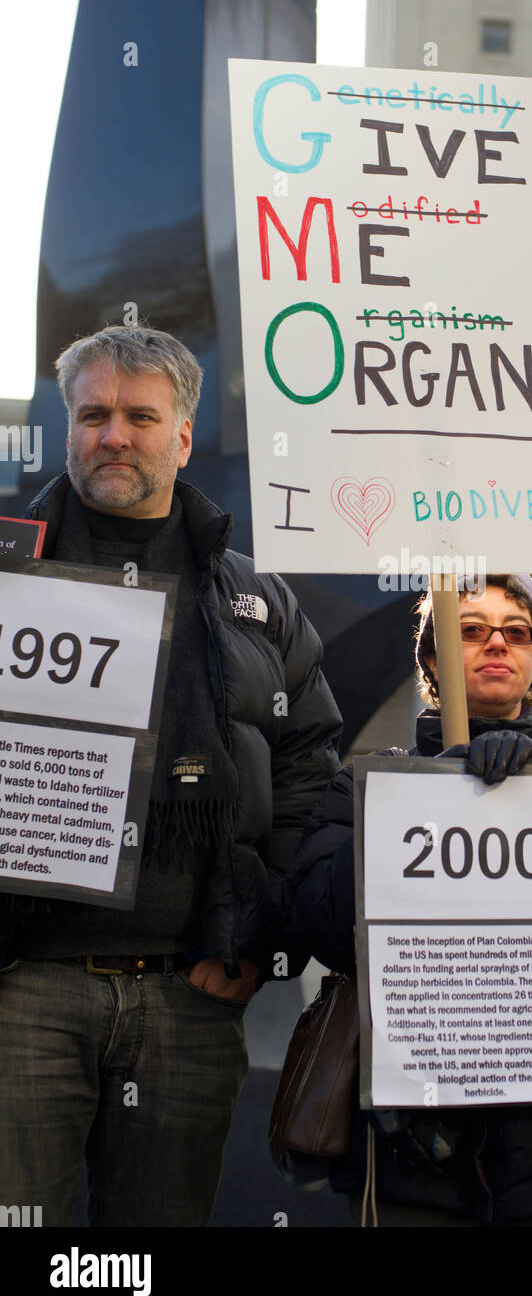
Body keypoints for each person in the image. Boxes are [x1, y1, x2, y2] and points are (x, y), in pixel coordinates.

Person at [0, 325, 342, 1226]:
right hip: (22, 984)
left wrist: (262, 928)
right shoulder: (5, 573)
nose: (114, 435)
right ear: (67, 428)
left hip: (190, 993)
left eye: (140, 417)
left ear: (182, 437)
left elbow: (311, 773)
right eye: (94, 415)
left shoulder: (257, 598)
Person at [285, 573, 532, 1226]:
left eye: (516, 633)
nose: (496, 643)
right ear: (431, 662)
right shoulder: (362, 785)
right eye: (469, 631)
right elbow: (316, 923)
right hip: (410, 1140)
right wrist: (420, 796)